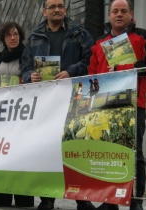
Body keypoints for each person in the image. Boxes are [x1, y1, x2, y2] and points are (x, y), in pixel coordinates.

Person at [21, 0, 94, 209]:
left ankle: (82, 198)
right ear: (44, 11)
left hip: (75, 97)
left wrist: (71, 71)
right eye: (52, 6)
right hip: (46, 102)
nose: (57, 9)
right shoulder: (34, 37)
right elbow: (24, 66)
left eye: (60, 6)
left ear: (65, 9)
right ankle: (47, 198)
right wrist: (29, 75)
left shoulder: (79, 33)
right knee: (47, 148)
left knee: (76, 146)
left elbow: (90, 59)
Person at [88, 0, 146, 210]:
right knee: (109, 153)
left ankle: (135, 201)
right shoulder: (99, 41)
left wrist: (128, 68)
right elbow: (91, 72)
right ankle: (111, 200)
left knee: (134, 153)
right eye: (115, 11)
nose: (119, 14)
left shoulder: (143, 35)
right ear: (109, 15)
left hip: (134, 103)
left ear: (131, 14)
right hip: (106, 104)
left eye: (123, 11)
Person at [0, 21, 34, 207]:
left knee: (21, 158)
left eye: (16, 34)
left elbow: (34, 79)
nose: (13, 37)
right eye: (9, 35)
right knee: (0, 158)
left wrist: (20, 81)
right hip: (0, 120)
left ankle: (23, 198)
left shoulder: (28, 56)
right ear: (3, 38)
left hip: (23, 117)